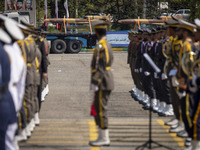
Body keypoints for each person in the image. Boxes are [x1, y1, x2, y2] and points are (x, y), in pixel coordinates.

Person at [89, 20, 114, 147]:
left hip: (102, 81)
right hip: (104, 80)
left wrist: (95, 82)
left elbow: (100, 66)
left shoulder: (101, 46)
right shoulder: (104, 44)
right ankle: (102, 135)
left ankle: (104, 137)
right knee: (99, 108)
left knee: (101, 109)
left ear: (97, 32)